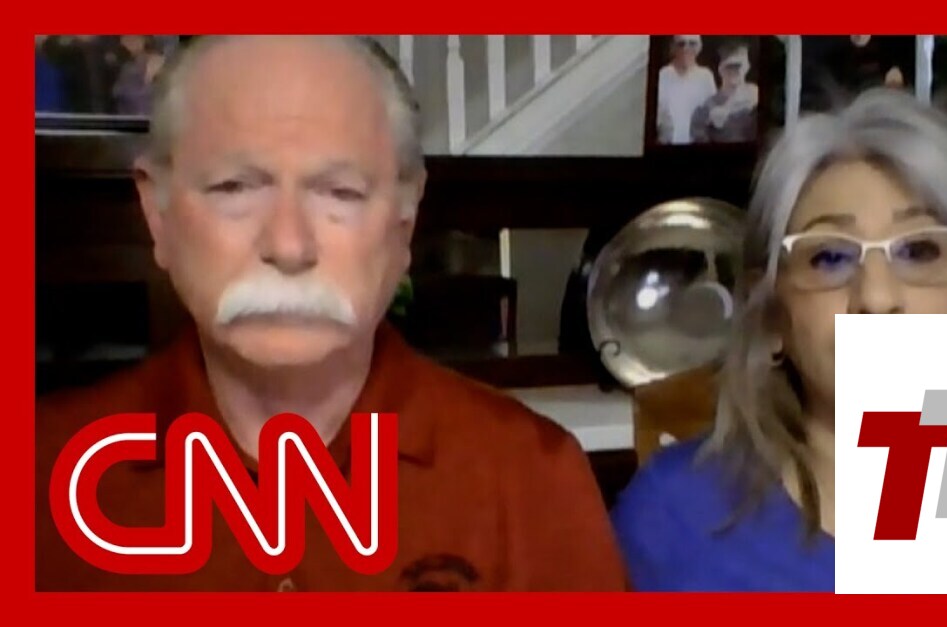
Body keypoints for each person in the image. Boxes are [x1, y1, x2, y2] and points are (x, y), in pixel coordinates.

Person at [35, 35, 627, 592]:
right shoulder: (37, 472)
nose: (289, 246)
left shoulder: (532, 479)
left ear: (403, 222)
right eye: (234, 187)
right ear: (158, 215)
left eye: (340, 193)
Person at [610, 87, 947, 591]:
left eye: (918, 250)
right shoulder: (672, 520)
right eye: (829, 257)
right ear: (771, 318)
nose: (876, 297)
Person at [691, 43, 759, 144]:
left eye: (738, 66)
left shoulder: (757, 97)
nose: (733, 71)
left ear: (747, 67)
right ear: (720, 69)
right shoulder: (705, 109)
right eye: (729, 66)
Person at [657, 35, 717, 145]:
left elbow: (712, 114)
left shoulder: (706, 76)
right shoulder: (662, 75)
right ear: (673, 47)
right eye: (681, 44)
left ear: (699, 47)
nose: (686, 48)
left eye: (692, 43)